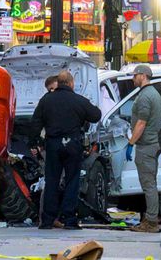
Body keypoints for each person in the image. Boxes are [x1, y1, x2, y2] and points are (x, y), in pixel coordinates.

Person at [30, 69, 102, 230]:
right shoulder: (78, 100)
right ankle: (69, 219)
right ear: (70, 83)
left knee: (52, 182)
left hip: (53, 144)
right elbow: (96, 115)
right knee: (72, 181)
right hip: (72, 145)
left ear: (59, 83)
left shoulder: (46, 100)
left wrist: (35, 142)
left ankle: (47, 220)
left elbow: (35, 123)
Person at [127, 64, 161, 233]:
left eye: (134, 76)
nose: (133, 79)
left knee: (148, 184)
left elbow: (141, 123)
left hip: (146, 145)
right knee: (151, 183)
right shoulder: (153, 93)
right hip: (154, 143)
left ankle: (151, 222)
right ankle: (150, 218)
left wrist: (131, 143)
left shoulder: (144, 97)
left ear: (142, 76)